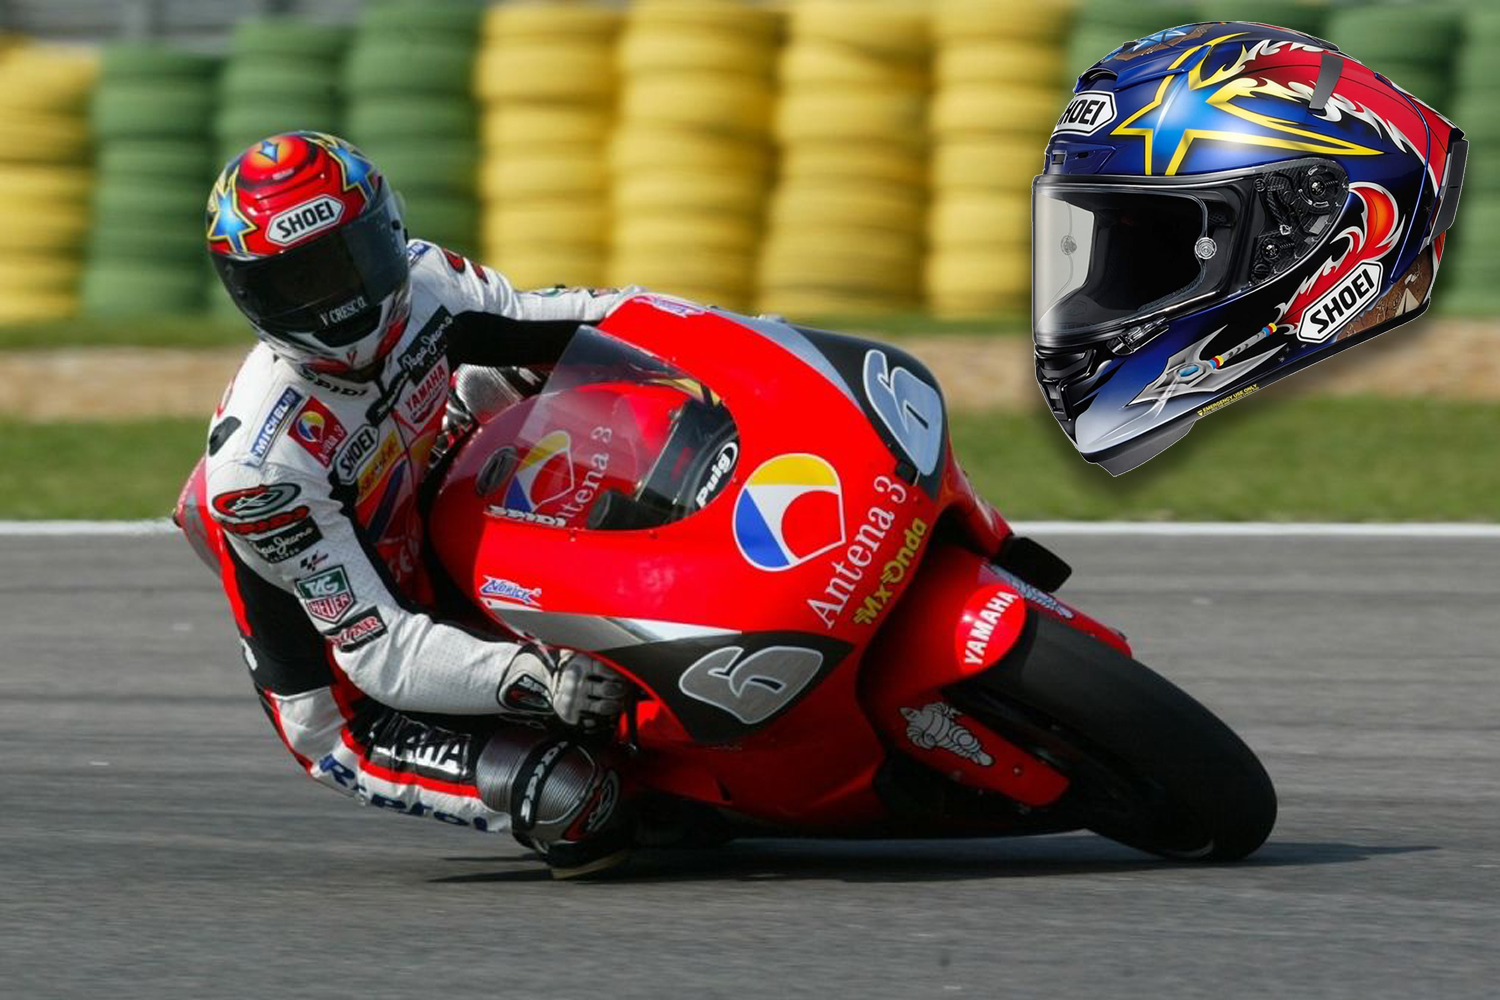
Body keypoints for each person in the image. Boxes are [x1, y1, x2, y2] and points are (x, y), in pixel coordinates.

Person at [201, 131, 637, 877]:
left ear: (387, 234)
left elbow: (589, 318)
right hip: (362, 701)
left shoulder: (428, 279)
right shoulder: (262, 469)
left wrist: (741, 339)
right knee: (580, 798)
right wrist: (542, 678)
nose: (334, 299)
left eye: (348, 262)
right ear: (252, 295)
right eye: (297, 282)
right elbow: (379, 654)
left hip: (429, 545)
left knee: (527, 379)